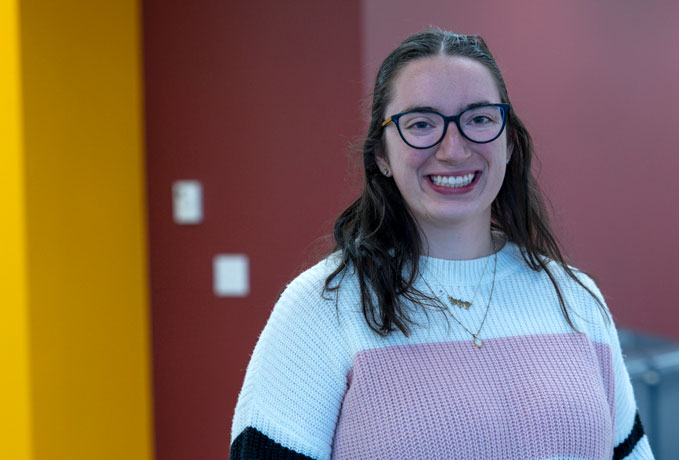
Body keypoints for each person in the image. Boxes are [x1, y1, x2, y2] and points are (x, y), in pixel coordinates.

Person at [230, 29, 654, 460]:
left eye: (479, 119)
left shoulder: (574, 298)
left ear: (508, 143)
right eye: (421, 124)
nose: (453, 149)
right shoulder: (323, 307)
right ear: (381, 156)